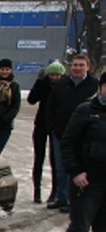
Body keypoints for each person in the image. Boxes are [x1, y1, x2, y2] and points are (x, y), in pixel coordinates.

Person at [59, 72, 106, 232]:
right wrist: (76, 172)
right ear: (102, 88)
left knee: (103, 230)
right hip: (87, 181)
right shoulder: (86, 111)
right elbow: (67, 144)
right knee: (79, 228)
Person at [45, 54, 99, 213]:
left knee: (80, 168)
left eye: (81, 65)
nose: (77, 68)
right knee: (61, 167)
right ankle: (63, 198)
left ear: (88, 67)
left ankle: (75, 199)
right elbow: (50, 107)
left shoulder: (94, 86)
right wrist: (52, 128)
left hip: (85, 136)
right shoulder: (61, 85)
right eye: (75, 65)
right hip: (61, 133)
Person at [27, 61, 66, 203]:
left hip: (56, 126)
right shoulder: (43, 84)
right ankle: (37, 190)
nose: (54, 78)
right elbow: (31, 99)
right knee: (39, 158)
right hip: (41, 124)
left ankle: (55, 191)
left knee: (56, 160)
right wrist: (39, 83)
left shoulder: (64, 86)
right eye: (52, 75)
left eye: (57, 75)